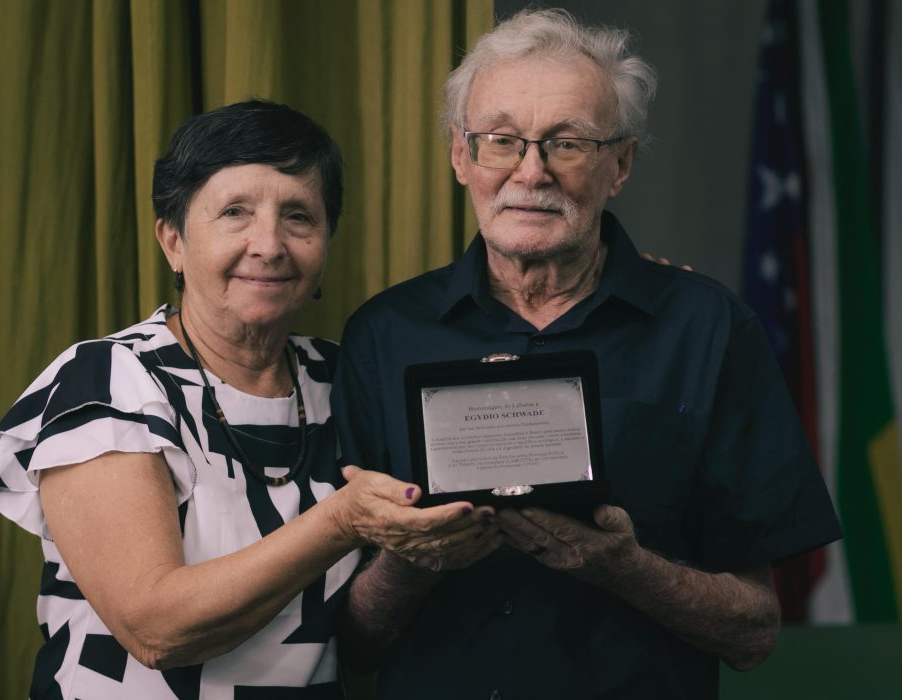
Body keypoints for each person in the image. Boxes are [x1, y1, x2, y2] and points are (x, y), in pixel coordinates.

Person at [331, 9, 842, 698]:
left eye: (567, 143)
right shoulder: (381, 335)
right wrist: (413, 557)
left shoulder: (708, 329)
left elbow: (754, 635)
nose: (531, 172)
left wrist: (624, 567)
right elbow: (354, 646)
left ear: (619, 164)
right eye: (501, 141)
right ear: (460, 155)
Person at [0, 100, 500, 699]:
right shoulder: (109, 380)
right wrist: (342, 520)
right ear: (173, 241)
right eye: (234, 213)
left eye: (299, 217)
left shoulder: (345, 376)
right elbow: (156, 631)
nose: (269, 245)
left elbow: (364, 637)